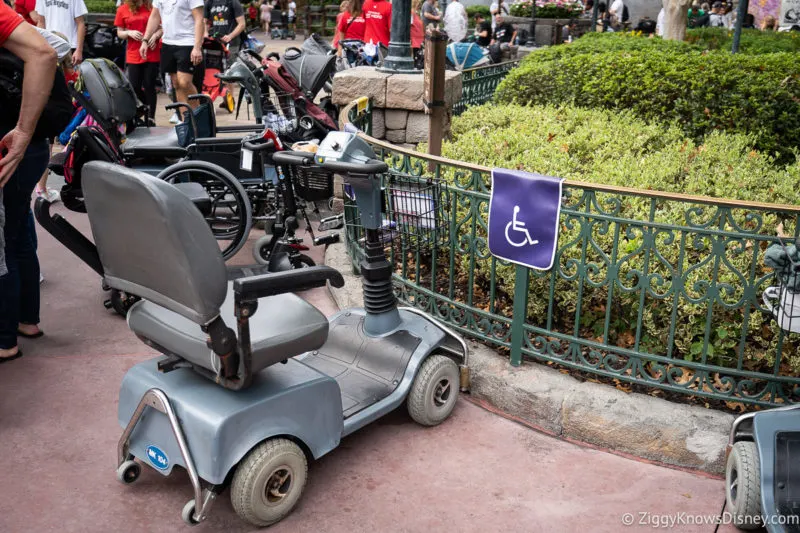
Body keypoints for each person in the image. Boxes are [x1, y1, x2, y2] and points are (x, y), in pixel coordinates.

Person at [0, 0, 58, 362]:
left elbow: (44, 54)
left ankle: (6, 340)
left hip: (12, 147)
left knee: (5, 245)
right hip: (27, 145)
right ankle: (26, 322)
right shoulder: (17, 21)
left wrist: (21, 131)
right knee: (18, 234)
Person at [30, 0, 86, 202]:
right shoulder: (69, 77)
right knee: (46, 146)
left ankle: (40, 187)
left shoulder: (43, 71)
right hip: (55, 119)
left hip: (40, 113)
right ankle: (42, 188)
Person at [141, 0, 205, 112]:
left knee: (184, 82)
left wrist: (197, 47)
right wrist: (145, 40)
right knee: (176, 84)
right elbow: (154, 17)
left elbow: (199, 19)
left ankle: (198, 116)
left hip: (187, 42)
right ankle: (185, 121)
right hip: (168, 43)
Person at [115, 0, 162, 124]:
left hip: (151, 51)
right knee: (134, 86)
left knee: (149, 85)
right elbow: (119, 32)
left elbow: (162, 28)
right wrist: (129, 32)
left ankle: (151, 117)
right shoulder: (123, 9)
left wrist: (155, 36)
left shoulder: (153, 7)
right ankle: (141, 109)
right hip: (133, 52)